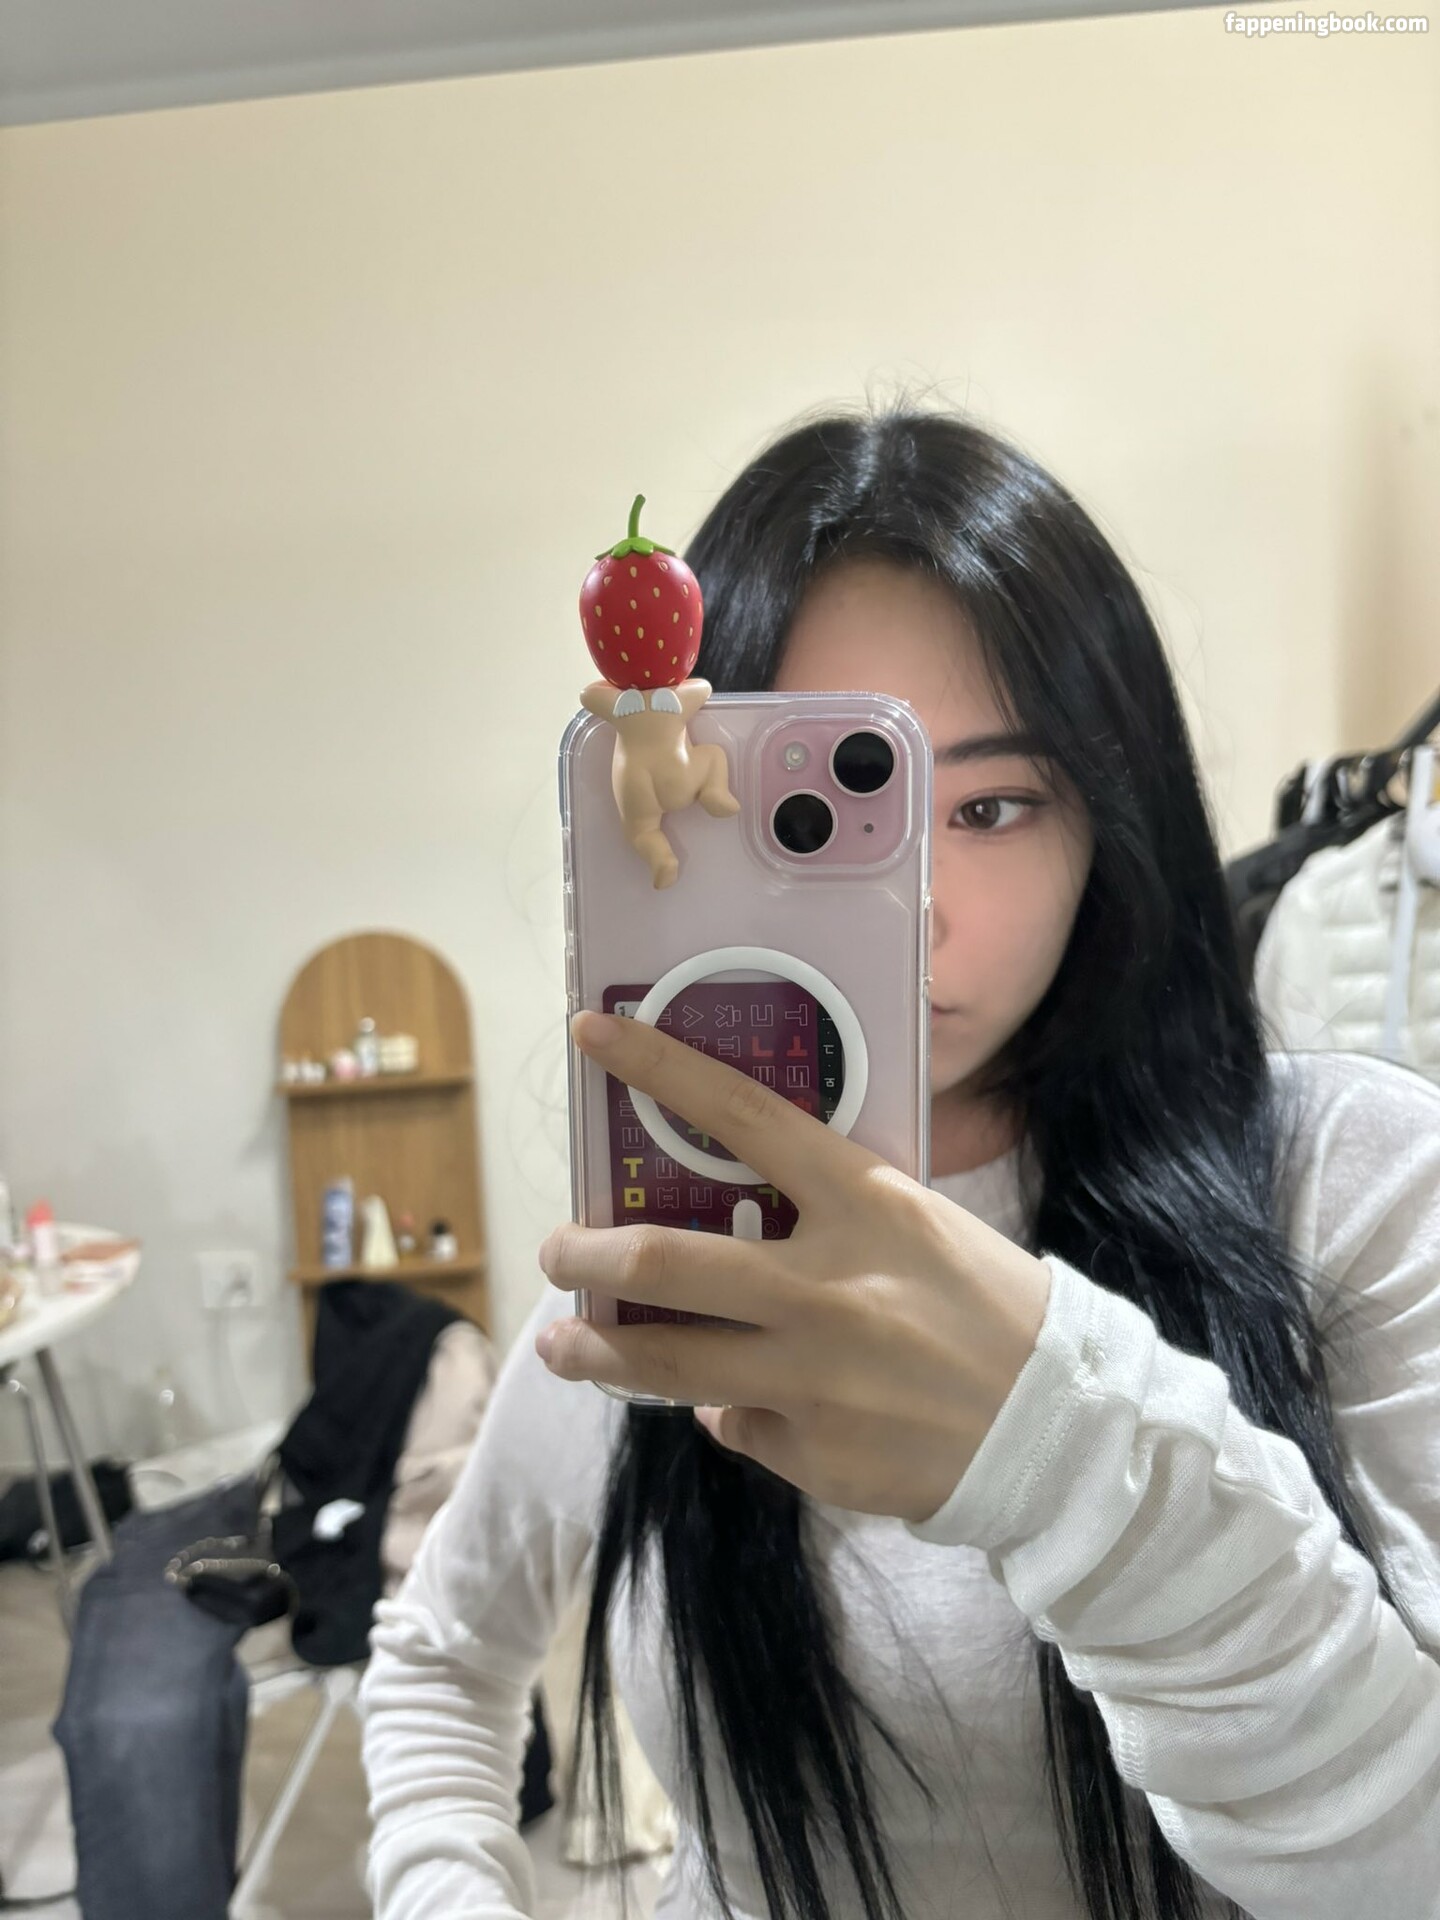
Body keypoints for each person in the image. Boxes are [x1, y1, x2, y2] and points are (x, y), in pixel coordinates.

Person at [359, 410, 1440, 1920]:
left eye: (992, 807)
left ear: (1109, 825)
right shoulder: (659, 1260)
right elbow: (438, 1666)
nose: (913, 908)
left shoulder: (1352, 1189)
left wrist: (1060, 1447)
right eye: (810, 820)